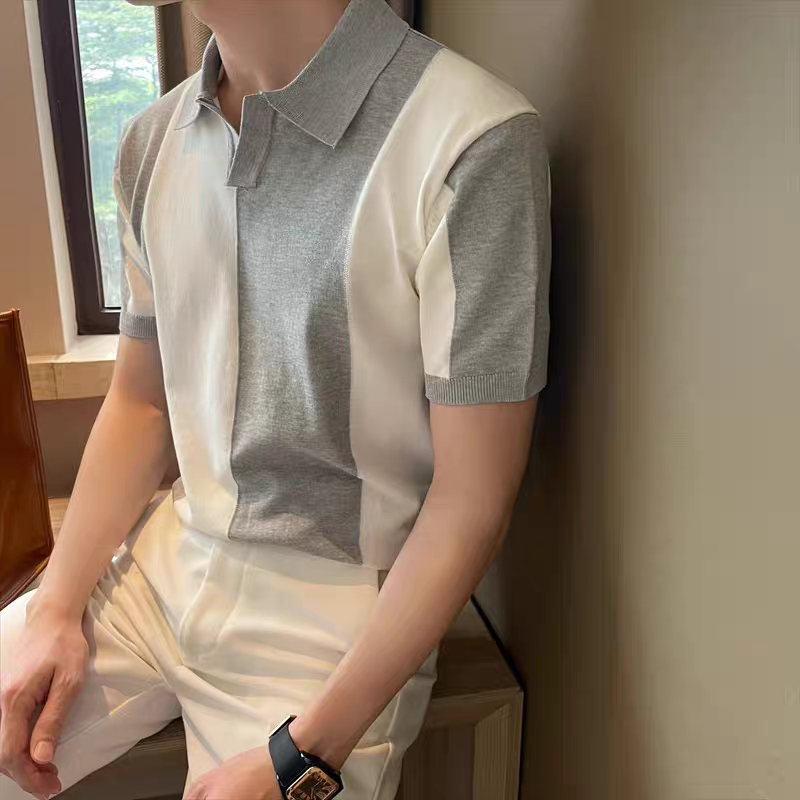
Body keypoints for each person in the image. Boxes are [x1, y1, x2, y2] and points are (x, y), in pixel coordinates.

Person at [0, 0, 551, 797]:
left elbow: (472, 501)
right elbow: (142, 403)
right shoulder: (153, 140)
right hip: (163, 560)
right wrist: (55, 605)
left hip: (337, 611)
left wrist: (306, 752)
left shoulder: (471, 140)